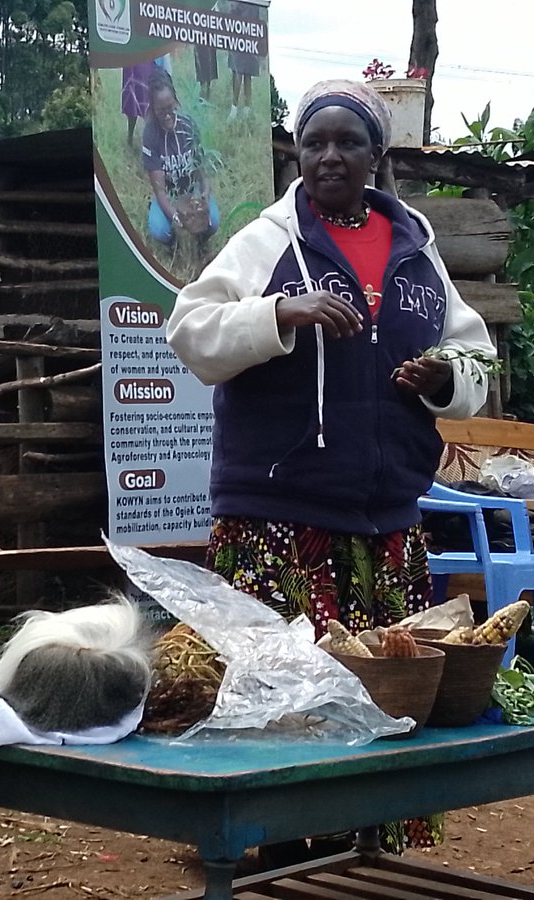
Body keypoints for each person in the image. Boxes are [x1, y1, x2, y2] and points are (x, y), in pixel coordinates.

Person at [166, 79, 496, 858]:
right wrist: (279, 312)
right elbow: (192, 329)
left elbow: (475, 352)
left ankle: (364, 841)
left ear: (376, 157)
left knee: (380, 697)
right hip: (281, 516)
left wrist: (442, 376)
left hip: (385, 523)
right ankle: (275, 848)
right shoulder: (268, 240)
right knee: (286, 701)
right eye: (314, 143)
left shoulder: (417, 250)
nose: (329, 156)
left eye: (348, 142)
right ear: (298, 154)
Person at [141, 69, 220, 247]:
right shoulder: (150, 134)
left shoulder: (188, 125)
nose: (168, 115)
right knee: (160, 230)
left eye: (171, 108)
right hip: (169, 195)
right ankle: (172, 244)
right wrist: (177, 217)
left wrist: (205, 195)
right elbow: (160, 190)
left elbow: (201, 169)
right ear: (153, 109)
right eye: (161, 111)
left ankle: (201, 242)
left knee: (212, 221)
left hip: (191, 192)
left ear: (175, 100)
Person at [226, 0, 261, 120]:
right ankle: (246, 110)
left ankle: (234, 110)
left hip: (239, 36)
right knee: (247, 75)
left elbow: (233, 11)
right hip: (251, 38)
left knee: (238, 72)